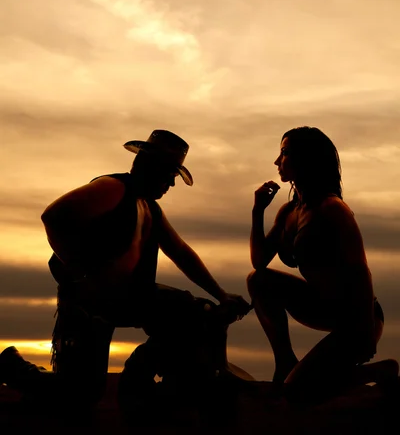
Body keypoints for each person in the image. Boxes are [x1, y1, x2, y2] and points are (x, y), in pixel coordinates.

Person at [0, 129, 251, 409]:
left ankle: (140, 382)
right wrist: (82, 274)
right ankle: (10, 366)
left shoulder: (149, 208)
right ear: (151, 167)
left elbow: (180, 252)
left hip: (128, 296)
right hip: (89, 301)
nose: (172, 183)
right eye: (169, 174)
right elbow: (54, 217)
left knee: (195, 312)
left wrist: (221, 294)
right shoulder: (113, 188)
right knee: (78, 394)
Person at [247, 126, 398, 403]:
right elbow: (259, 262)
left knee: (297, 392)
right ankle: (285, 361)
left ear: (306, 159)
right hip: (322, 306)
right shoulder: (289, 211)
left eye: (284, 153)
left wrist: (364, 332)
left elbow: (360, 271)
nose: (277, 161)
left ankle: (382, 371)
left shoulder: (333, 209)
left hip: (358, 315)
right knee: (258, 280)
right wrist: (258, 212)